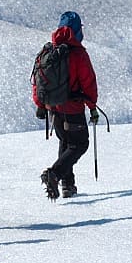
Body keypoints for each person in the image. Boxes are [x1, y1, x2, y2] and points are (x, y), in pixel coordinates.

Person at [33, 11, 99, 200]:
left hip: (54, 108)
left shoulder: (49, 52)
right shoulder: (78, 54)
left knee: (66, 142)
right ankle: (54, 174)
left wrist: (41, 104)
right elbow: (88, 83)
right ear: (78, 30)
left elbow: (37, 80)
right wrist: (92, 106)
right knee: (79, 144)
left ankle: (68, 186)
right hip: (73, 108)